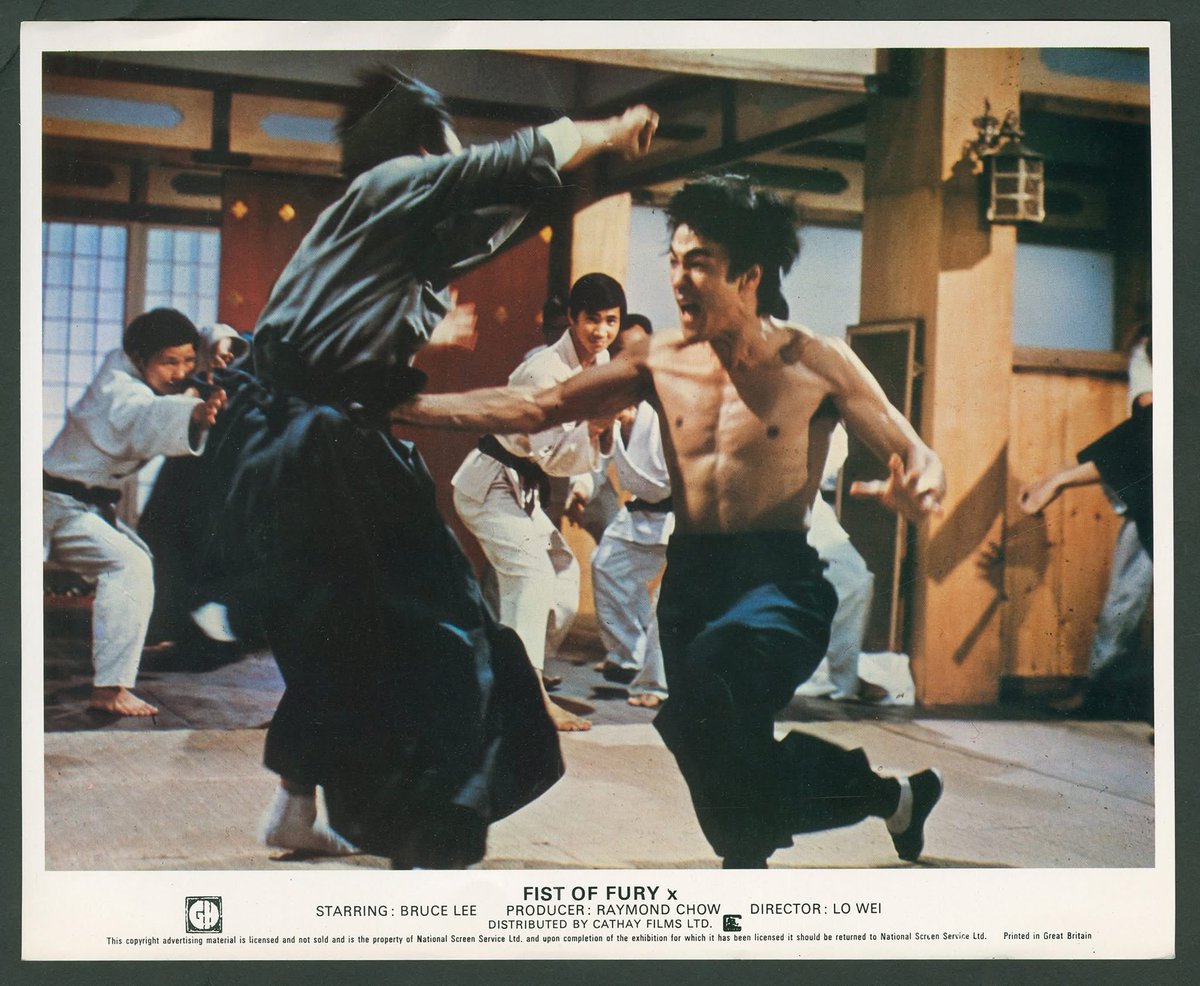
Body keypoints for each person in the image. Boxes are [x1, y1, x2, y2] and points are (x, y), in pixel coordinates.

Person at [393, 174, 948, 868]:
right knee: (724, 782)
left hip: (777, 582)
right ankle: (894, 798)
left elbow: (914, 450)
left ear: (749, 275)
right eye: (676, 261)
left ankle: (811, 842)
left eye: (700, 264)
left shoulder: (816, 360)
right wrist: (403, 407)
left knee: (711, 692)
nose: (680, 280)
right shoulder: (658, 360)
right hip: (693, 582)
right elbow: (537, 407)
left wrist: (921, 485)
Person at [185, 67, 659, 867]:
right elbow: (501, 167)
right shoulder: (392, 182)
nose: (454, 157)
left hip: (296, 442)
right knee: (441, 631)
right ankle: (429, 825)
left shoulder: (391, 230)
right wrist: (610, 131)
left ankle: (297, 805)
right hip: (314, 442)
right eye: (447, 147)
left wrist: (573, 179)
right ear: (419, 148)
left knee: (339, 630)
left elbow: (489, 220)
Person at [452, 273, 627, 732]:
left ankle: (507, 678)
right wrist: (597, 424)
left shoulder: (599, 361)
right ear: (572, 318)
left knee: (563, 576)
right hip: (490, 483)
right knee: (531, 577)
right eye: (592, 320)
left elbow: (581, 448)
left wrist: (601, 428)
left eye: (611, 321)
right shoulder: (543, 370)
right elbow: (550, 456)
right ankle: (528, 699)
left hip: (522, 488)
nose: (601, 332)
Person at [43, 308, 232, 716]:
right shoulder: (118, 390)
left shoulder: (136, 358)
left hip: (80, 507)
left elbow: (200, 337)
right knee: (128, 566)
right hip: (49, 504)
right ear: (139, 359)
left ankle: (113, 682)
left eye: (188, 361)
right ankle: (109, 690)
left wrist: (219, 342)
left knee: (134, 564)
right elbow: (146, 414)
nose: (181, 372)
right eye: (169, 362)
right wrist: (194, 412)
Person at [1018, 326, 1154, 720]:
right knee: (1124, 597)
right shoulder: (1148, 348)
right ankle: (1100, 687)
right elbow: (1150, 421)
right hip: (1154, 494)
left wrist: (1060, 478)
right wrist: (1059, 477)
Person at [589, 315, 672, 708]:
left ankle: (657, 683)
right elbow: (596, 457)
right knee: (606, 565)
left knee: (667, 601)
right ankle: (628, 655)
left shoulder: (669, 399)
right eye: (625, 349)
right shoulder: (610, 396)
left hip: (682, 516)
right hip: (638, 514)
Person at [799, 424, 889, 704]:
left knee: (854, 579)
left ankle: (841, 678)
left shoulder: (836, 425)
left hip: (805, 501)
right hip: (750, 501)